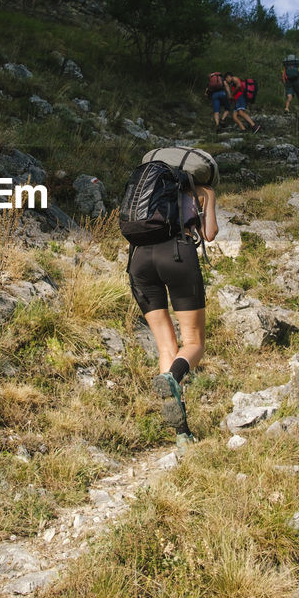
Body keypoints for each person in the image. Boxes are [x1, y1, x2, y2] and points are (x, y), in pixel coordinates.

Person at [126, 163, 219, 444]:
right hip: (177, 254)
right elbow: (210, 233)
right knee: (194, 342)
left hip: (139, 261)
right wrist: (209, 198)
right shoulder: (201, 190)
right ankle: (172, 379)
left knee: (167, 346)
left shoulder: (150, 192)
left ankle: (181, 434)